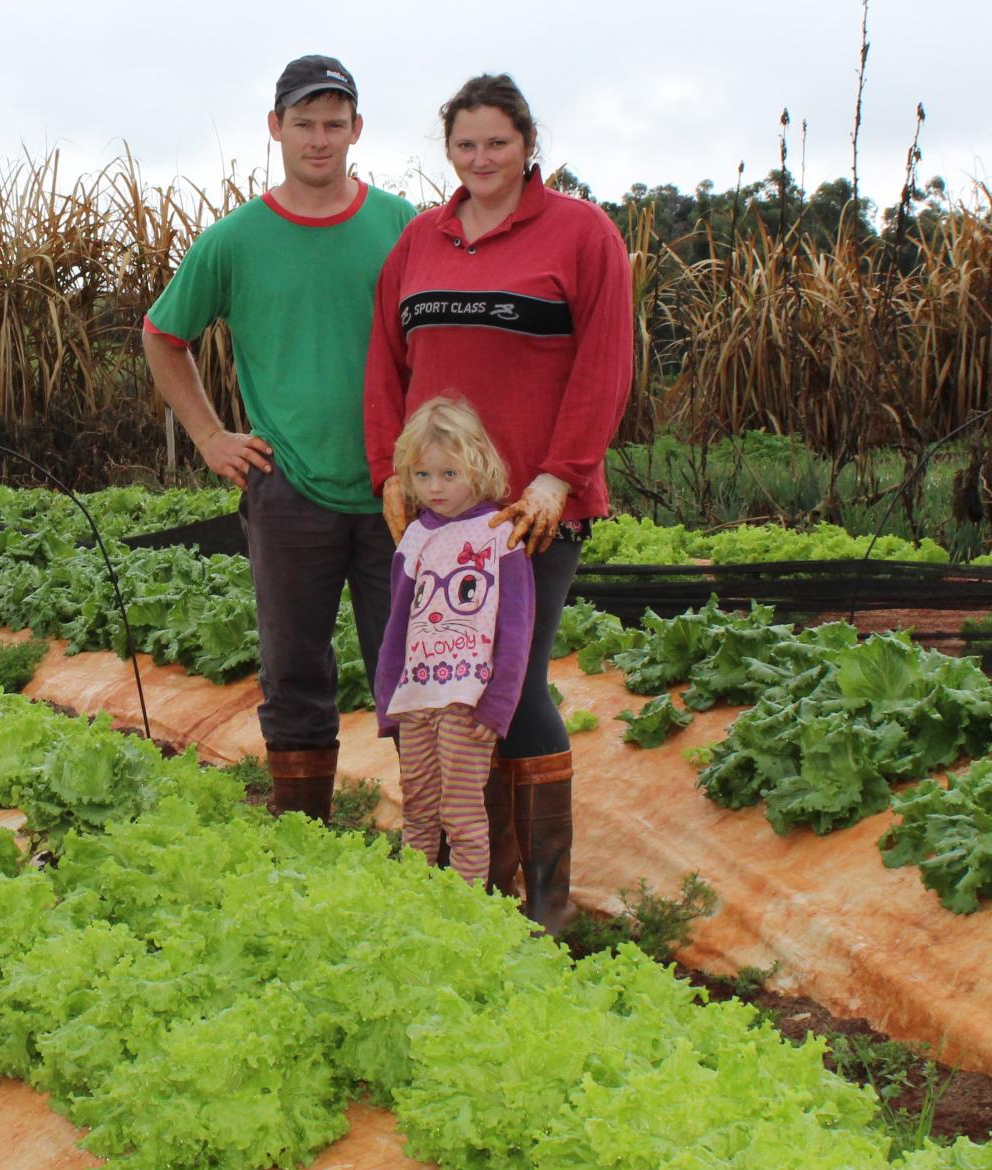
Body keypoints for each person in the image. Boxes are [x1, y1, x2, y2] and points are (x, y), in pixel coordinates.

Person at [364, 73, 633, 931]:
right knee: (439, 684)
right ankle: (470, 878)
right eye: (465, 145)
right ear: (449, 150)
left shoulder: (579, 232)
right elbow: (385, 366)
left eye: (498, 144)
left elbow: (605, 362)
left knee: (508, 685)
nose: (481, 159)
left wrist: (559, 474)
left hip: (525, 514)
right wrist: (390, 475)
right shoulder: (420, 241)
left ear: (527, 146)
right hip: (438, 517)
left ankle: (543, 902)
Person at [144, 54, 415, 821]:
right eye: (304, 123)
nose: (319, 139)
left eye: (335, 123)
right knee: (293, 669)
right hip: (288, 486)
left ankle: (433, 840)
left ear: (356, 130)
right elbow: (164, 335)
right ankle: (303, 831)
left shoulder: (402, 226)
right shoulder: (235, 240)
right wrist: (208, 436)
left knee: (410, 669)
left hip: (397, 489)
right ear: (276, 129)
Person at [371, 397, 532, 885]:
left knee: (461, 815)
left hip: (466, 700)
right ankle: (416, 902)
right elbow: (398, 623)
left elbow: (516, 629)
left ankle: (464, 913)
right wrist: (387, 701)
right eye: (422, 476)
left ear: (478, 469)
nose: (434, 488)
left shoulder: (499, 535)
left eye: (448, 474)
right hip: (418, 697)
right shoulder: (415, 537)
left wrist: (498, 705)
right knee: (416, 805)